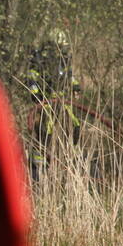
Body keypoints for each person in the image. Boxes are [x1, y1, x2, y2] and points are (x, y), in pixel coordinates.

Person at [25, 29, 82, 178]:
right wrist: (36, 95)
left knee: (75, 125)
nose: (63, 49)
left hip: (63, 100)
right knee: (45, 131)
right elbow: (32, 78)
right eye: (60, 46)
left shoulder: (63, 59)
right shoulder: (40, 60)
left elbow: (69, 76)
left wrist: (76, 87)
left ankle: (73, 158)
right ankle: (37, 168)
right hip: (46, 100)